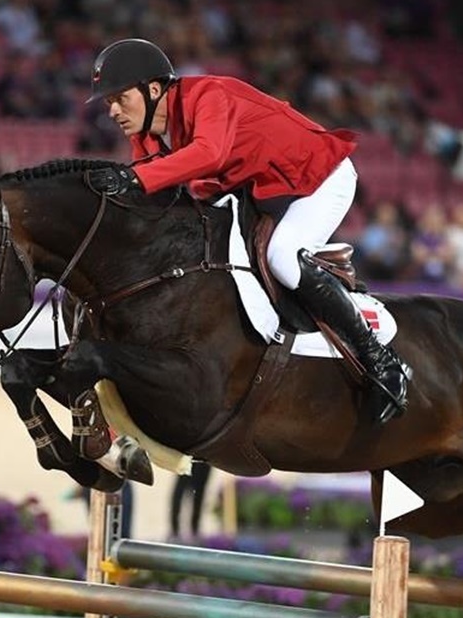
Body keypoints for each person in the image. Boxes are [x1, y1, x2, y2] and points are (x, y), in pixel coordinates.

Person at [83, 38, 407, 422]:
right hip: (263, 192)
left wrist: (133, 179)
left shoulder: (209, 94)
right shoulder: (145, 133)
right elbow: (153, 197)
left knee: (282, 257)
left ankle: (379, 358)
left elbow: (209, 153)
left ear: (153, 89)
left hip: (318, 179)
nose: (113, 111)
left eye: (120, 99)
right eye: (109, 103)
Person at [170, 461, 211, 539]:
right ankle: (175, 529)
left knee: (199, 491)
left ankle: (194, 528)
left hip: (203, 459)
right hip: (190, 458)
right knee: (183, 487)